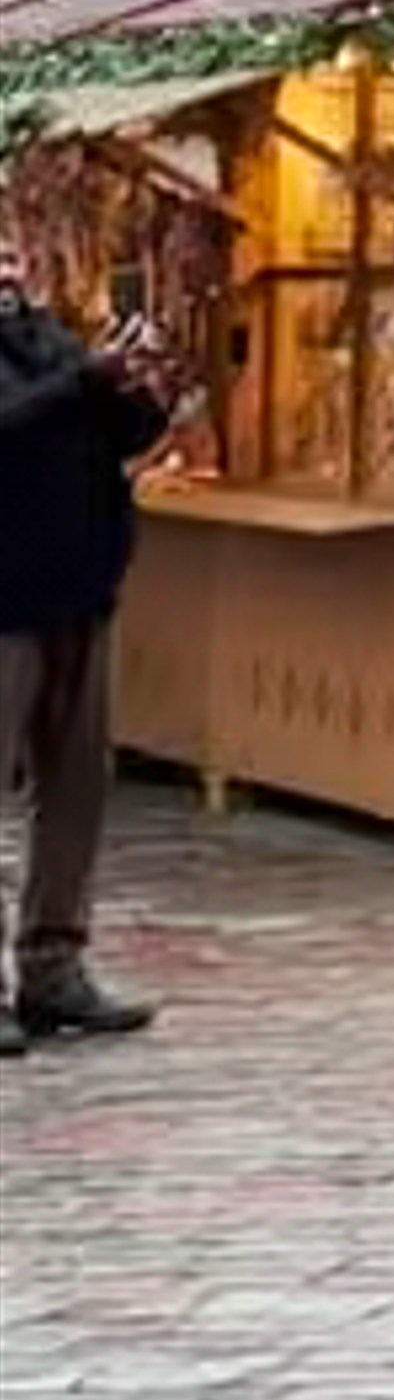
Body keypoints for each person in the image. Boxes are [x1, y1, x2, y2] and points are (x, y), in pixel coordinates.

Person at [0, 278, 181, 1050]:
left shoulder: (49, 334)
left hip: (79, 593)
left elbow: (111, 433)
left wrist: (145, 394)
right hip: (2, 602)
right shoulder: (53, 360)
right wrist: (86, 381)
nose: (9, 265)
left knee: (76, 786)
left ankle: (54, 964)